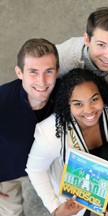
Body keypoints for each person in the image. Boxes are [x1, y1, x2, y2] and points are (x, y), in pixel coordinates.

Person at [26, 68, 108, 216]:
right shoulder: (52, 132)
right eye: (78, 104)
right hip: (78, 206)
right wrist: (55, 208)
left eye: (94, 99)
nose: (89, 110)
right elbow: (35, 169)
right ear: (68, 105)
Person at [0, 38, 60, 216]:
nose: (42, 81)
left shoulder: (65, 94)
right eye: (33, 72)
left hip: (48, 166)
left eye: (48, 71)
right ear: (19, 73)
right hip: (6, 173)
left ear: (57, 71)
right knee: (11, 212)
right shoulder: (1, 101)